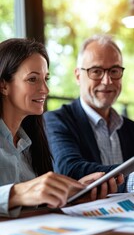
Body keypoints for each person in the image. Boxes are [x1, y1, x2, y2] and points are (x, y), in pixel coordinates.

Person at [0, 38, 123, 218]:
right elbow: (20, 199)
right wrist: (16, 193)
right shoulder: (57, 122)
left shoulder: (30, 143)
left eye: (46, 79)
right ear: (3, 85)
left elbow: (31, 209)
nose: (45, 89)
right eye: (32, 79)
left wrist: (72, 196)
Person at [44, 34, 134, 193]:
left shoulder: (130, 128)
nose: (107, 81)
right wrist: (130, 180)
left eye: (114, 70)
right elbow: (70, 170)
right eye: (96, 71)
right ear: (78, 76)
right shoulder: (56, 121)